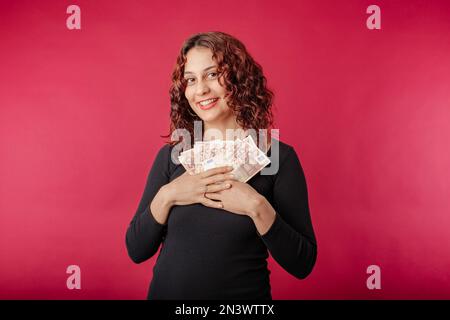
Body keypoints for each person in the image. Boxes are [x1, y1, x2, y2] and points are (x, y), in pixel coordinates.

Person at [125, 31, 317, 300]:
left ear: (239, 79)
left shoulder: (277, 158)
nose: (201, 89)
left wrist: (256, 206)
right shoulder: (173, 156)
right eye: (191, 79)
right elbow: (136, 250)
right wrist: (168, 195)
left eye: (212, 74)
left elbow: (303, 264)